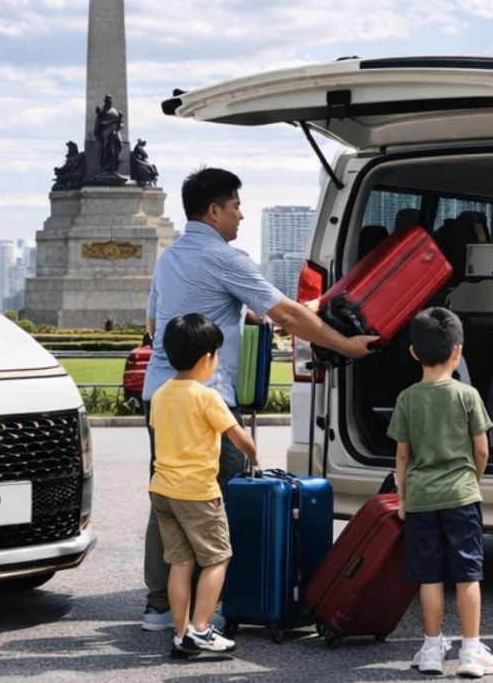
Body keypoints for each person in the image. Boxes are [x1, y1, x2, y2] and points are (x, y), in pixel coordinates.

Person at [138, 166, 378, 632]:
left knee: (168, 492)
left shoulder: (169, 258)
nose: (241, 215)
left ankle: (160, 605)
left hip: (161, 396)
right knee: (218, 500)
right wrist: (346, 345)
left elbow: (154, 324)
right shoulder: (226, 257)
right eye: (235, 206)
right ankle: (219, 603)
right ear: (214, 210)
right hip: (207, 399)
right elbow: (285, 312)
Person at [391, 307, 493, 677]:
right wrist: (474, 481)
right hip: (461, 496)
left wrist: (404, 498)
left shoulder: (407, 399)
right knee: (468, 575)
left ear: (413, 352)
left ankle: (432, 650)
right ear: (459, 352)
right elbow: (481, 450)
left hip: (421, 500)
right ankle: (470, 652)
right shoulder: (467, 396)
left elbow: (402, 455)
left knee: (430, 577)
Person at [149, 313, 257, 659]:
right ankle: (201, 629)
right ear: (208, 357)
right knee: (217, 558)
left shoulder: (161, 395)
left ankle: (181, 635)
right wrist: (254, 455)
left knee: (181, 562)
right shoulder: (207, 397)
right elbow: (238, 438)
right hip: (197, 492)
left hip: (163, 490)